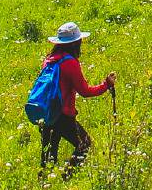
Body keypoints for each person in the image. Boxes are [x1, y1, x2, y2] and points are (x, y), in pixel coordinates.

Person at [37, 23, 114, 176]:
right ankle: (67, 176)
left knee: (48, 155)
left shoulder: (49, 60)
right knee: (85, 144)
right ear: (75, 43)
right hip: (63, 115)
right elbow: (85, 91)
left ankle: (44, 184)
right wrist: (106, 85)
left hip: (45, 113)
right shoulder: (70, 63)